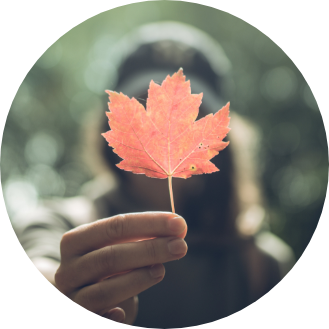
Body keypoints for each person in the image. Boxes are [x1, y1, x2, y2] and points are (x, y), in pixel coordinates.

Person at [12, 22, 295, 327]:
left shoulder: (263, 265)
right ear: (109, 129)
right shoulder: (59, 226)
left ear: (224, 140)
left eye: (197, 115)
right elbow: (41, 258)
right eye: (143, 107)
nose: (164, 132)